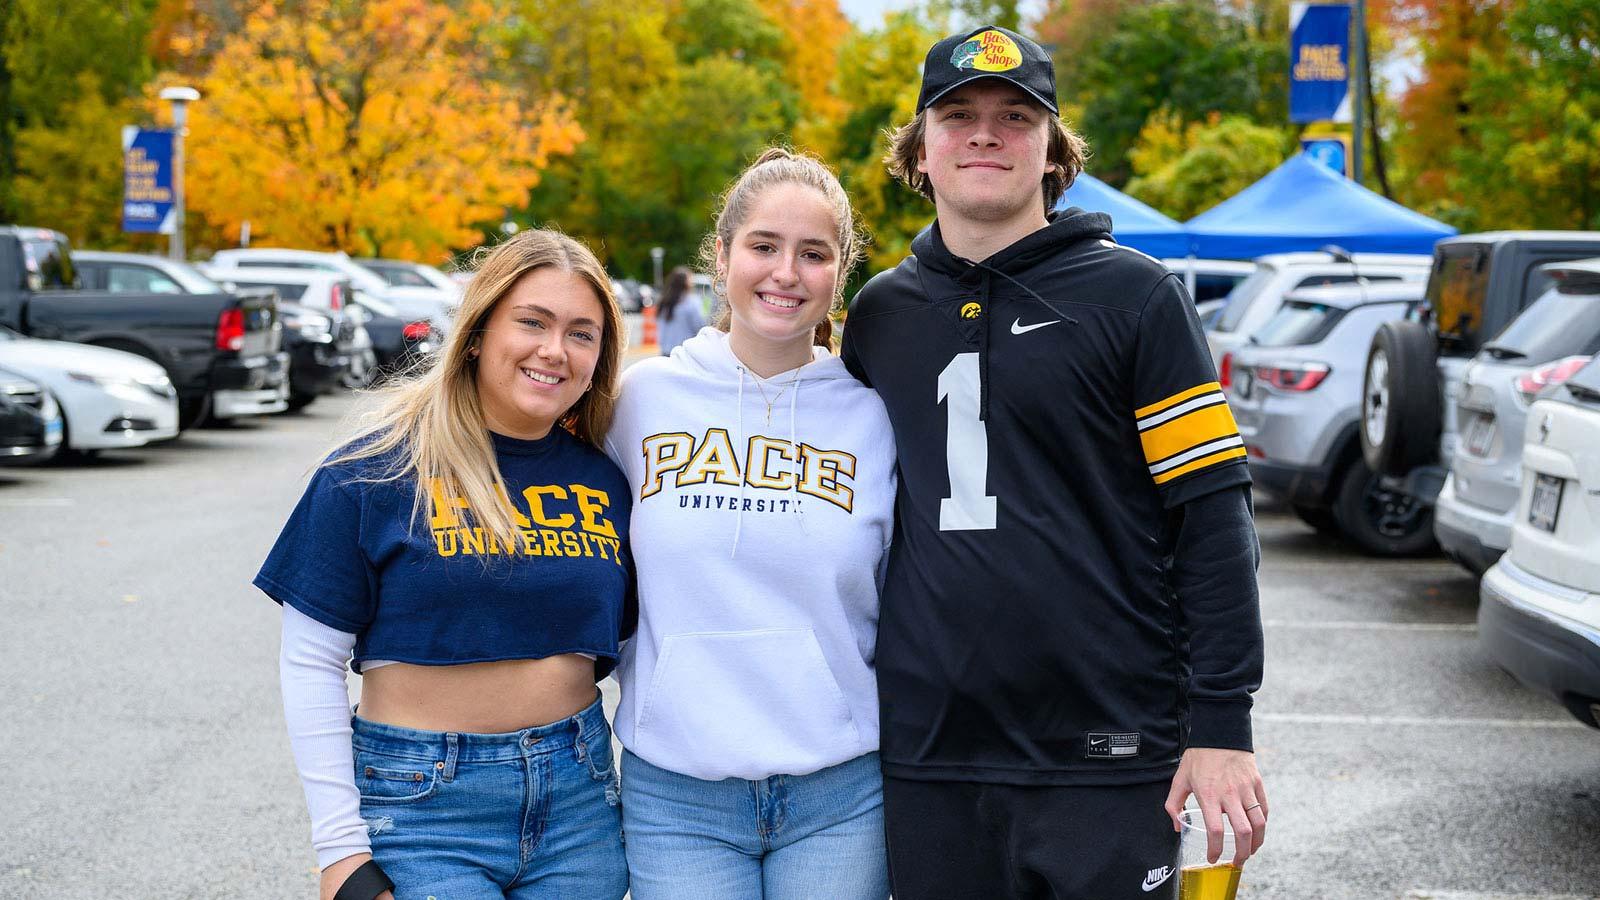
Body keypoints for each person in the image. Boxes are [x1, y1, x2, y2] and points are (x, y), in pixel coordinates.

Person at [839, 25, 1268, 900]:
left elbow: (1214, 516)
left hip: (1108, 747)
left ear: (1054, 150)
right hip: (930, 751)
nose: (985, 134)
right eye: (957, 115)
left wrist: (1222, 724)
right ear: (920, 148)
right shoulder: (879, 315)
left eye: (1014, 115)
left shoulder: (1138, 295)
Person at [254, 230, 634, 900]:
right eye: (532, 322)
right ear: (480, 330)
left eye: (582, 333)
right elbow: (309, 662)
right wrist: (340, 851)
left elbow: (632, 647)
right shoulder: (375, 470)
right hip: (423, 809)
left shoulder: (606, 482)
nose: (555, 350)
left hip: (579, 803)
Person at [602, 147, 896, 900]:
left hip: (839, 793)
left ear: (841, 272)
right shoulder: (641, 401)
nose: (786, 274)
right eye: (763, 246)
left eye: (814, 254)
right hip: (677, 794)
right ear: (723, 254)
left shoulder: (874, 417)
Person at [655, 265, 706, 355]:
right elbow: (699, 325)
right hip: (684, 352)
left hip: (665, 351)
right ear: (686, 282)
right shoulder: (691, 301)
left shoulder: (664, 302)